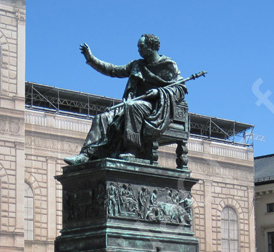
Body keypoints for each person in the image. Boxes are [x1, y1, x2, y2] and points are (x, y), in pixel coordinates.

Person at [64, 34, 187, 165]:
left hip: (157, 106)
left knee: (133, 106)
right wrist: (91, 59)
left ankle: (132, 149)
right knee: (103, 117)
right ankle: (86, 154)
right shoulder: (137, 65)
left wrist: (158, 92)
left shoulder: (168, 65)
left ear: (151, 47)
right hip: (135, 104)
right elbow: (113, 70)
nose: (138, 49)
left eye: (141, 46)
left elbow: (180, 89)